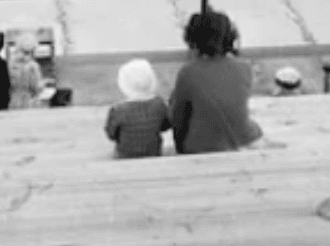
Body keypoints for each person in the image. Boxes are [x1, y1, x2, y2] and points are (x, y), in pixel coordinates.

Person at [169, 10, 262, 155]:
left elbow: (178, 119)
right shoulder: (244, 67)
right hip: (239, 141)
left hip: (199, 147)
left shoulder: (188, 72)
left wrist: (180, 148)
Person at [105, 58, 171, 158]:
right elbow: (165, 126)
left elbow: (111, 134)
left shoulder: (118, 110)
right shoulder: (159, 105)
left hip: (124, 156)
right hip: (153, 154)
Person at [8, 32, 44, 109]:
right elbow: (36, 87)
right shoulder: (33, 66)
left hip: (13, 101)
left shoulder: (10, 65)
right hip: (28, 101)